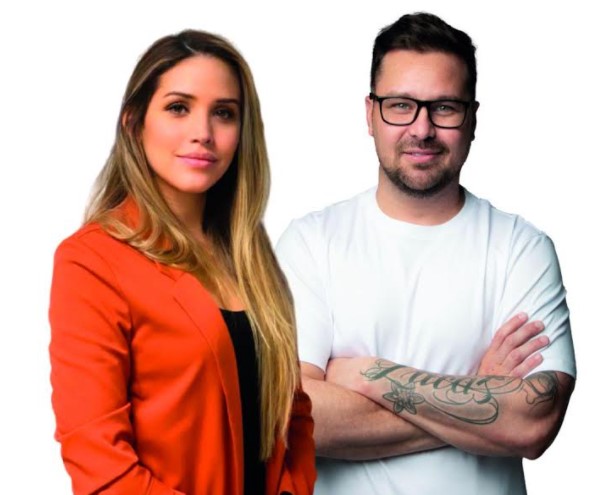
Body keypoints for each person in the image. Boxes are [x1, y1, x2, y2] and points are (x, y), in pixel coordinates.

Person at [276, 12, 575, 495]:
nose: (422, 128)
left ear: (472, 119)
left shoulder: (522, 248)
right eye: (400, 105)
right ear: (370, 115)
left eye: (444, 108)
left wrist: (367, 376)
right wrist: (478, 401)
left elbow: (533, 422)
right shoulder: (311, 243)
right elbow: (290, 419)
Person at [49, 30, 315, 495]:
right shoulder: (92, 261)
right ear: (134, 123)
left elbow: (291, 416)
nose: (203, 133)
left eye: (224, 113)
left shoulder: (249, 254)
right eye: (178, 107)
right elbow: (100, 463)